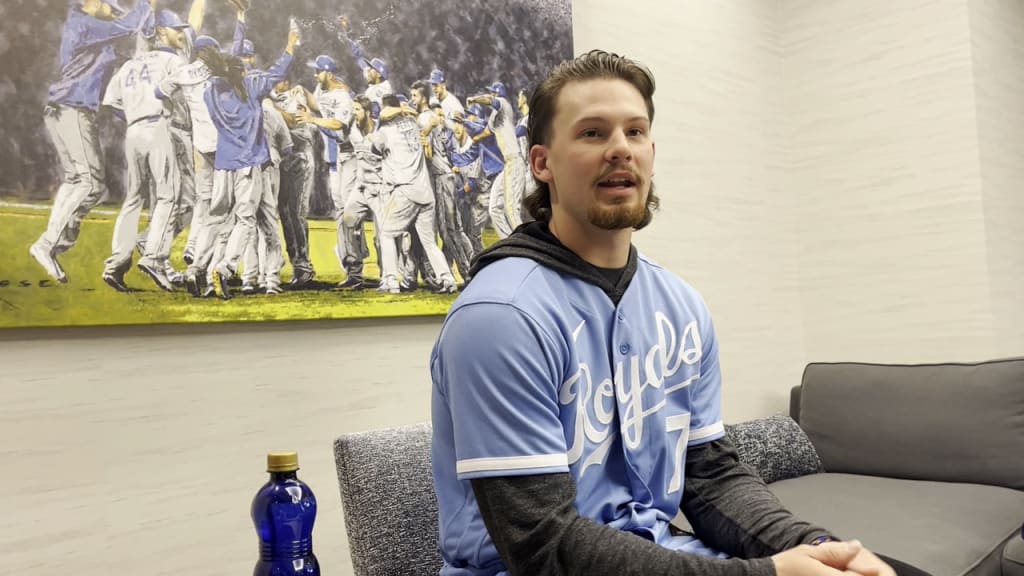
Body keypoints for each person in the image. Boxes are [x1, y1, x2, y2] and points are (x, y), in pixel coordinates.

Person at [429, 50, 932, 576]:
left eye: (635, 131)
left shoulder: (680, 305)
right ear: (541, 163)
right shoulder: (500, 316)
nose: (620, 148)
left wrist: (818, 547)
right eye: (593, 133)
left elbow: (709, 476)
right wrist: (769, 574)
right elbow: (543, 546)